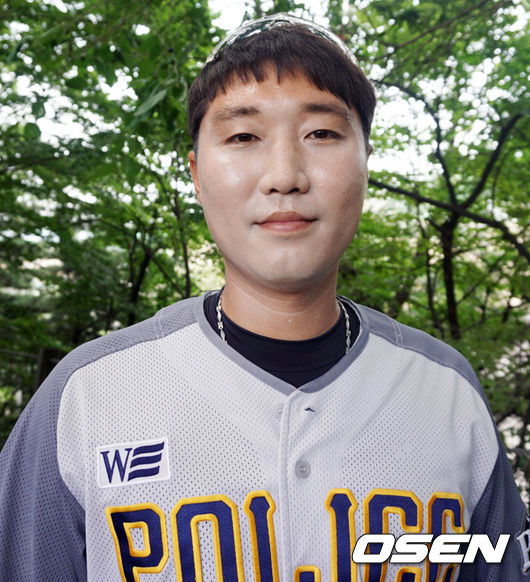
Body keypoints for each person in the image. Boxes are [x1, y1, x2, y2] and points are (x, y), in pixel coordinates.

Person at [0, 13, 527, 582]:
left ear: (365, 162)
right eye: (243, 137)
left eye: (321, 133)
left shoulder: (447, 393)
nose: (284, 175)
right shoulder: (88, 397)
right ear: (196, 173)